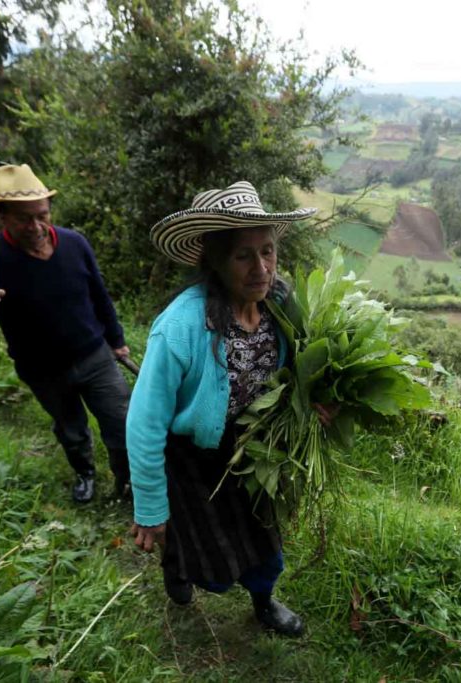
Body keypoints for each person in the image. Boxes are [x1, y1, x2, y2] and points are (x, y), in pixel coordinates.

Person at [127, 180, 319, 637]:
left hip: (254, 449)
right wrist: (151, 507)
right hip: (195, 456)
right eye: (243, 256)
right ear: (213, 260)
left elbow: (302, 369)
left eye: (268, 251)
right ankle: (176, 566)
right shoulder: (180, 326)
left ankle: (264, 600)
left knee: (264, 538)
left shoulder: (281, 305)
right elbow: (144, 422)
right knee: (204, 551)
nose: (262, 268)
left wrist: (317, 402)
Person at [0, 164, 132, 504]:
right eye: (24, 219)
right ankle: (85, 473)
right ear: (1, 215)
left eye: (42, 215)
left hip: (95, 356)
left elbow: (99, 296)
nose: (36, 226)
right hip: (43, 371)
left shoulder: (75, 244)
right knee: (72, 430)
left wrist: (117, 340)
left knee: (122, 423)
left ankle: (126, 482)